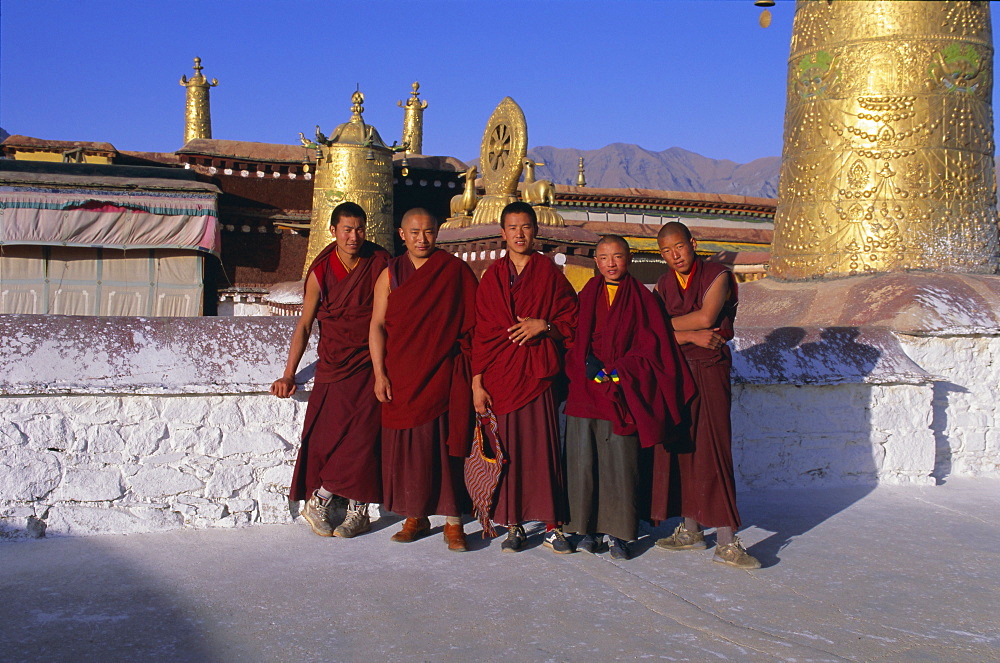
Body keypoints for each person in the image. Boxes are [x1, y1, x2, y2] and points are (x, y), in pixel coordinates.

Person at [563, 235, 694, 560]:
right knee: (583, 462)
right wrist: (589, 366)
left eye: (617, 256)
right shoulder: (588, 294)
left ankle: (619, 534)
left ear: (629, 259)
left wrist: (622, 371)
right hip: (588, 387)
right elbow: (576, 339)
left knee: (621, 465)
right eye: (604, 257)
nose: (611, 263)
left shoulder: (643, 299)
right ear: (596, 261)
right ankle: (585, 528)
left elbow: (652, 346)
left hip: (625, 388)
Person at [272, 201, 390, 538]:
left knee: (365, 437)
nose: (354, 236)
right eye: (347, 229)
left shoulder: (380, 262)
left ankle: (355, 508)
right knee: (330, 438)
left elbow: (386, 318)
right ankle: (322, 501)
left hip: (370, 362)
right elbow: (305, 324)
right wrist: (289, 373)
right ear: (333, 231)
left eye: (360, 229)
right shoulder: (322, 270)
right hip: (334, 362)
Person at [472, 201, 579, 553]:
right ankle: (513, 523)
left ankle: (551, 524)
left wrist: (543, 325)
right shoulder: (492, 277)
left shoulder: (549, 274)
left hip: (537, 375)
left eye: (526, 227)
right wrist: (477, 382)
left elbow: (571, 319)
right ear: (503, 233)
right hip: (502, 376)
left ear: (536, 231)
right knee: (510, 453)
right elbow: (482, 333)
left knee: (542, 452)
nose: (520, 234)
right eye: (513, 228)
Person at [652, 221, 760, 569]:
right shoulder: (665, 284)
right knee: (681, 447)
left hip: (709, 369)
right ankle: (691, 528)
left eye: (679, 247)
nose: (675, 255)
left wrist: (672, 328)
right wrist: (689, 336)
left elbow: (707, 316)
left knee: (713, 449)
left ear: (692, 243)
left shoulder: (717, 275)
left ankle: (727, 540)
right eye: (667, 251)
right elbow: (654, 327)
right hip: (676, 370)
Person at [369, 208, 478, 552]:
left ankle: (454, 520)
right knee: (410, 449)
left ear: (437, 233)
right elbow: (377, 325)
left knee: (445, 447)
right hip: (401, 372)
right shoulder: (391, 274)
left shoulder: (454, 271)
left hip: (444, 373)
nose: (422, 239)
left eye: (428, 232)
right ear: (402, 235)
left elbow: (475, 324)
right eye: (414, 232)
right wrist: (379, 373)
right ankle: (415, 515)